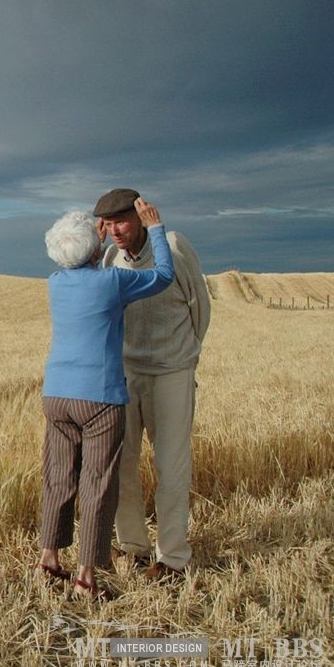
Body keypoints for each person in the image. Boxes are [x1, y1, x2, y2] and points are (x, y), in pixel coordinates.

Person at [38, 198, 173, 602]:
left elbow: (79, 269)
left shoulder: (55, 282)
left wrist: (87, 248)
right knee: (97, 484)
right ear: (95, 249)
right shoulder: (113, 281)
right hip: (99, 399)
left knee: (58, 477)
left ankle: (48, 558)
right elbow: (164, 275)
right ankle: (85, 576)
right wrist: (158, 229)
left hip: (56, 395)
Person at [94, 188, 211, 580]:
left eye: (122, 221)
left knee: (171, 464)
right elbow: (95, 300)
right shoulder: (110, 256)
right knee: (122, 464)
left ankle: (173, 558)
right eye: (108, 224)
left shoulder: (174, 246)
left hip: (172, 373)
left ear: (142, 216)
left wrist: (183, 360)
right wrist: (92, 253)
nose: (115, 231)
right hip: (126, 375)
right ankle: (134, 548)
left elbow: (200, 308)